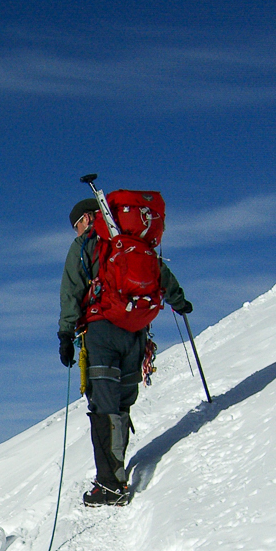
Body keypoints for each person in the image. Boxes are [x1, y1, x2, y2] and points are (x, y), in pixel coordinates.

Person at [59, 197, 192, 506]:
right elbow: (161, 275)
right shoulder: (133, 242)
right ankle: (115, 472)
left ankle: (109, 484)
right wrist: (179, 301)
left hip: (102, 331)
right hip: (136, 333)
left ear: (90, 218)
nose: (76, 230)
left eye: (77, 224)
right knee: (121, 404)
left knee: (104, 407)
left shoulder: (87, 245)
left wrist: (66, 332)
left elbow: (72, 289)